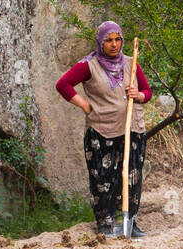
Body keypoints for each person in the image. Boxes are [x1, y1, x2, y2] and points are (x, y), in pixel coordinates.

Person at [56, 21, 152, 237]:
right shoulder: (88, 65)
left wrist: (139, 95)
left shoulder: (131, 63)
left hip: (132, 129)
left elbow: (147, 91)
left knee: (130, 176)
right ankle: (105, 223)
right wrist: (84, 105)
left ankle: (129, 221)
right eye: (109, 40)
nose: (114, 44)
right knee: (103, 178)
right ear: (100, 42)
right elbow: (63, 85)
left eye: (117, 39)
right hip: (102, 130)